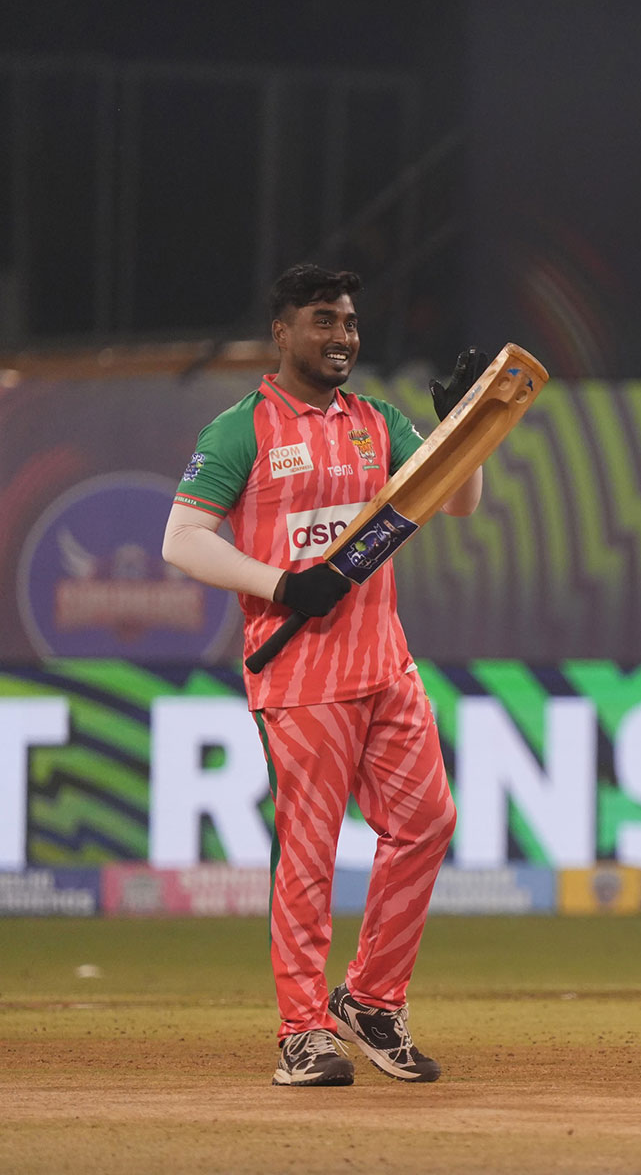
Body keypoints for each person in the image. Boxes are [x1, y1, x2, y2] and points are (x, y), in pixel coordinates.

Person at [162, 263, 490, 1086]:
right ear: (282, 332)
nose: (342, 335)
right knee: (307, 855)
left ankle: (372, 1000)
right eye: (322, 320)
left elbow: (457, 501)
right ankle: (302, 1030)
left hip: (386, 666)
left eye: (348, 321)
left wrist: (465, 432)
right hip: (301, 676)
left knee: (427, 826)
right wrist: (279, 584)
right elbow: (180, 541)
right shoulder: (242, 429)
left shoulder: (376, 420)